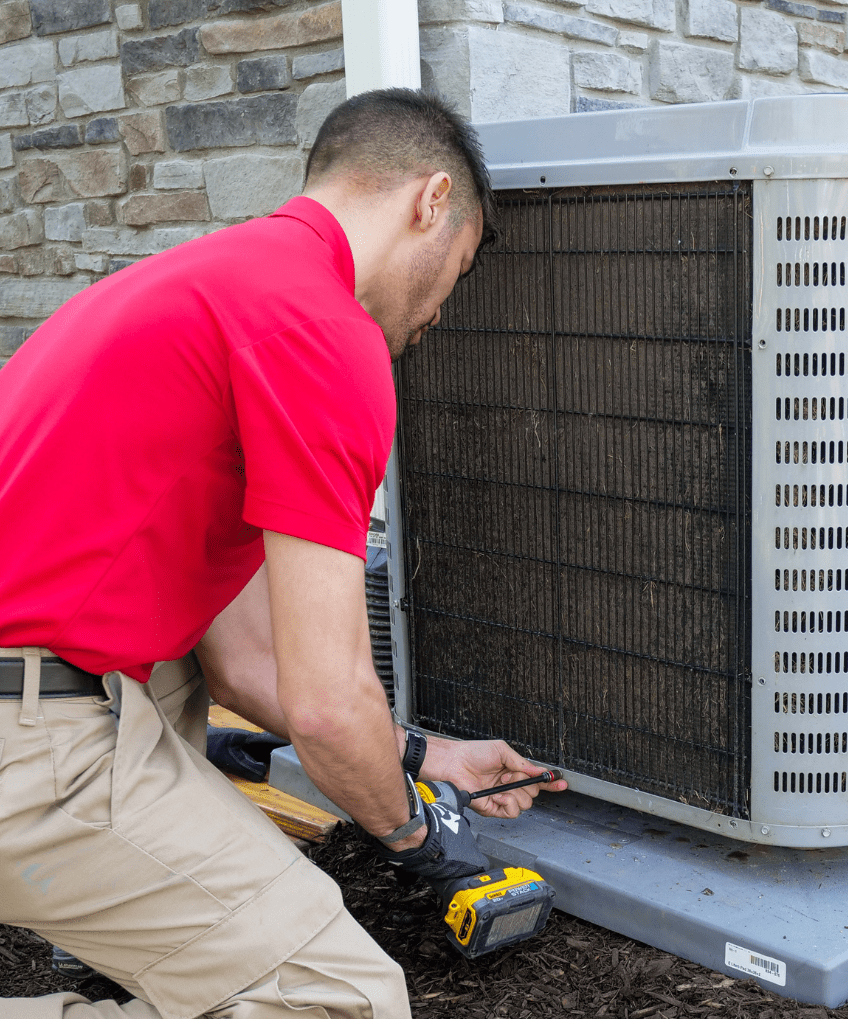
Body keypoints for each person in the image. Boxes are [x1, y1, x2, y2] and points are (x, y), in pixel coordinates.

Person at [0, 88, 565, 1019]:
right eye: (456, 271)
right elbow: (326, 705)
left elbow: (244, 658)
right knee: (337, 1000)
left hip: (44, 688)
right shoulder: (324, 332)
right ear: (430, 201)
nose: (438, 312)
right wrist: (420, 836)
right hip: (31, 744)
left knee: (180, 675)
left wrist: (425, 755)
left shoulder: (207, 284)